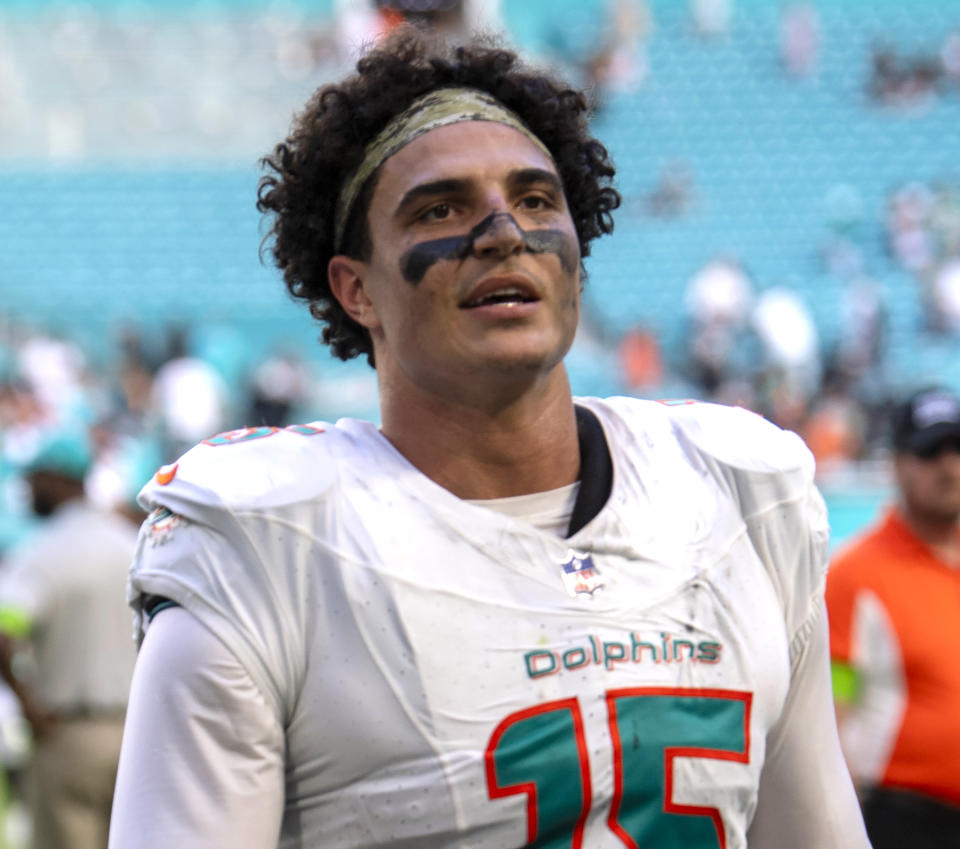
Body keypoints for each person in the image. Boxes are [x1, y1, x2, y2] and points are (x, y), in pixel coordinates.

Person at [109, 28, 869, 848]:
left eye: (538, 199)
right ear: (355, 288)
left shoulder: (736, 492)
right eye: (442, 208)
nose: (504, 231)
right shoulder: (265, 549)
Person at [826, 386, 960, 848]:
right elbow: (832, 708)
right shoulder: (854, 575)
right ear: (898, 463)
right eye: (931, 452)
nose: (950, 466)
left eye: (957, 449)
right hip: (902, 818)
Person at [0, 427, 138, 849]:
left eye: (37, 476)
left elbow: (4, 633)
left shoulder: (45, 549)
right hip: (139, 735)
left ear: (60, 479)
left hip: (70, 736)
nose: (29, 487)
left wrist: (29, 707)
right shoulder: (129, 542)